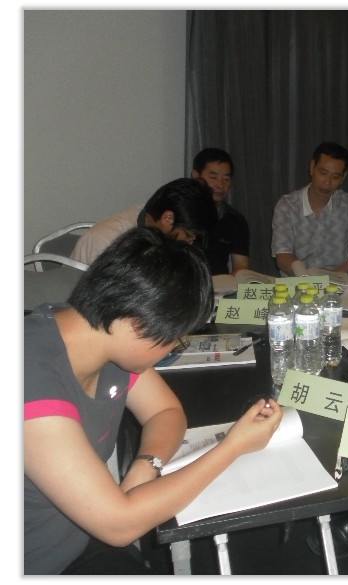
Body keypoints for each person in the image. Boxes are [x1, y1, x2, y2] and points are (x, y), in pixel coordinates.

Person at [25, 227, 283, 574]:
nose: (172, 348)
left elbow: (165, 411)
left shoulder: (101, 334)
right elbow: (119, 526)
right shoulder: (29, 378)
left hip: (79, 541)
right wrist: (232, 447)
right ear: (137, 323)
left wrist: (146, 465)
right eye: (174, 338)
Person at [71, 178, 217, 266]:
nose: (189, 244)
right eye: (188, 237)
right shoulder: (106, 242)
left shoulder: (151, 227)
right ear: (168, 218)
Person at [271, 142, 348, 276]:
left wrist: (334, 276)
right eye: (323, 173)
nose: (327, 182)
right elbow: (282, 255)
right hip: (298, 280)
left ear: (343, 178)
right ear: (312, 167)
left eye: (335, 177)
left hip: (338, 281)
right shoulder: (287, 205)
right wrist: (304, 275)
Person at [191, 147, 250, 275]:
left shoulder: (235, 220)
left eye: (226, 179)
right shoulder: (183, 212)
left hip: (220, 284)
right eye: (213, 177)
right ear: (196, 176)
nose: (220, 185)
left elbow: (240, 267)